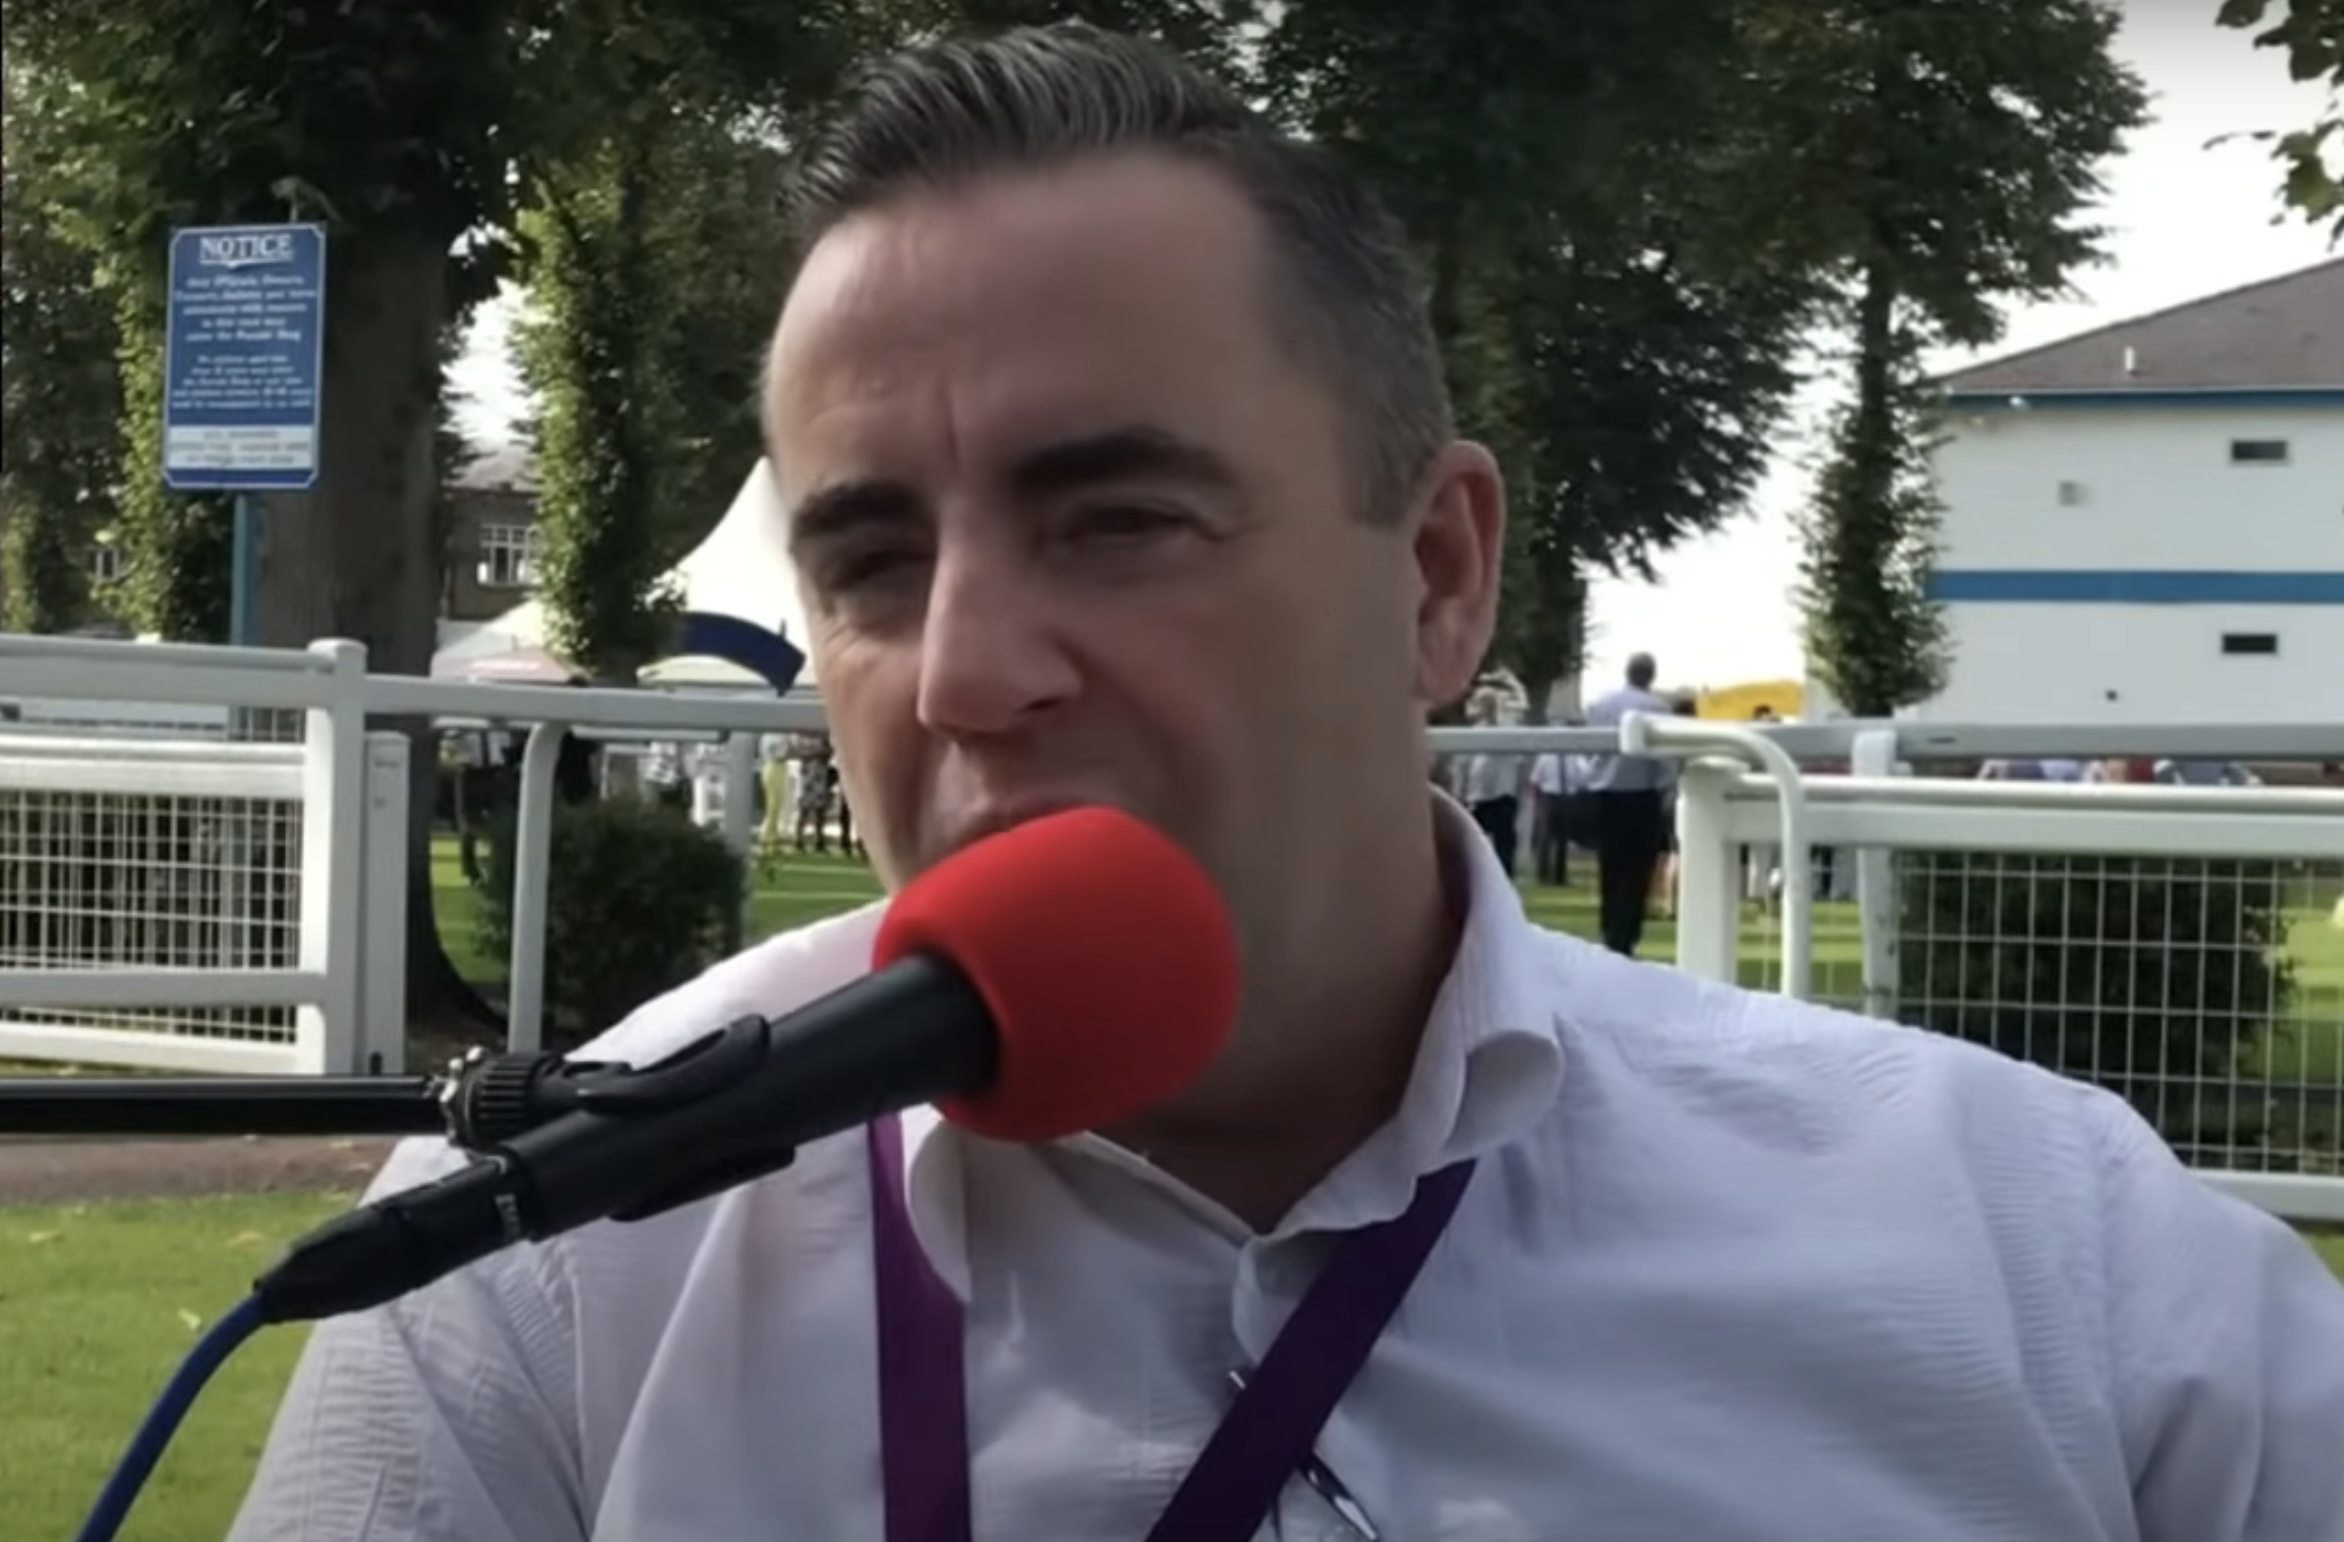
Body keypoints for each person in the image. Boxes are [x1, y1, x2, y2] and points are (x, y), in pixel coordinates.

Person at [228, 23, 2344, 1542]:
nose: (961, 670)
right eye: (868, 560)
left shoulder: (2064, 1278)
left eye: (1118, 518)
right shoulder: (531, 1289)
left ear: (1433, 579)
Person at [1579, 653, 1677, 955]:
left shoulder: (1600, 705)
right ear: (1652, 676)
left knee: (1610, 865)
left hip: (1606, 793)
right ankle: (1627, 933)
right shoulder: (1658, 709)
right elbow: (1665, 760)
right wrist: (1666, 794)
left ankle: (1609, 929)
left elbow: (1586, 749)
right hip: (1641, 795)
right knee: (1638, 869)